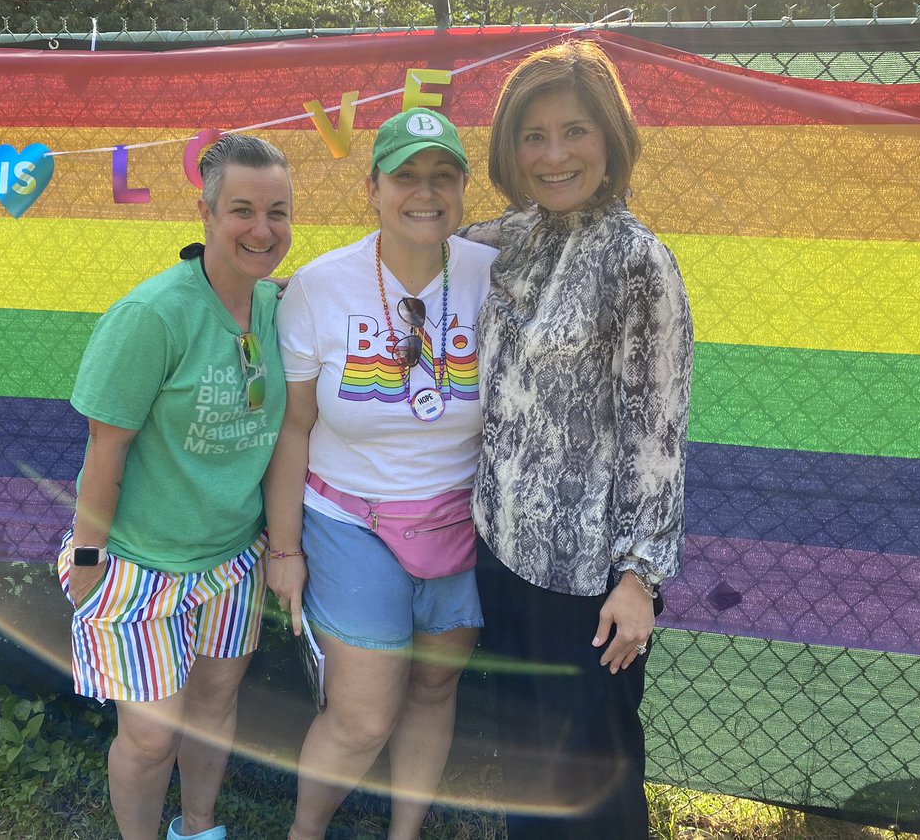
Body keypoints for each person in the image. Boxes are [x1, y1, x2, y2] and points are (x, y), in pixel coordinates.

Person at [461, 41, 694, 838]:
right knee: (528, 771)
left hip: (589, 581)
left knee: (594, 785)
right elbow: (400, 256)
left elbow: (657, 431)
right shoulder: (508, 239)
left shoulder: (640, 264)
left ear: (611, 139)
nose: (553, 154)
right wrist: (288, 286)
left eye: (574, 131)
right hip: (501, 549)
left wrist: (638, 577)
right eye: (533, 135)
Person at [265, 108, 498, 840]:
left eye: (443, 176)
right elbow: (294, 428)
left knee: (433, 688)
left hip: (460, 523)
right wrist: (284, 550)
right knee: (362, 717)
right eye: (405, 176)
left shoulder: (495, 279)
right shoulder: (318, 287)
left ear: (461, 190)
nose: (424, 192)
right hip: (350, 521)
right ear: (372, 188)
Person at [58, 133, 292, 840]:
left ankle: (198, 827)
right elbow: (106, 450)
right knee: (153, 737)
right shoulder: (152, 316)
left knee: (216, 705)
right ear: (206, 213)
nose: (262, 229)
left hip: (233, 560)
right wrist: (90, 557)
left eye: (278, 212)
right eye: (242, 210)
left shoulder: (281, 311)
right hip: (143, 563)